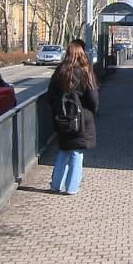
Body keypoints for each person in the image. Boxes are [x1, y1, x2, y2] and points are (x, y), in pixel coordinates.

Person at [47, 41, 99, 195]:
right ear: (82, 53)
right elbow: (93, 98)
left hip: (62, 117)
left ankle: (56, 185)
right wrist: (91, 112)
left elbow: (50, 95)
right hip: (81, 119)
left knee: (64, 150)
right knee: (77, 153)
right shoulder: (85, 71)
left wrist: (58, 110)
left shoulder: (60, 71)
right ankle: (72, 187)